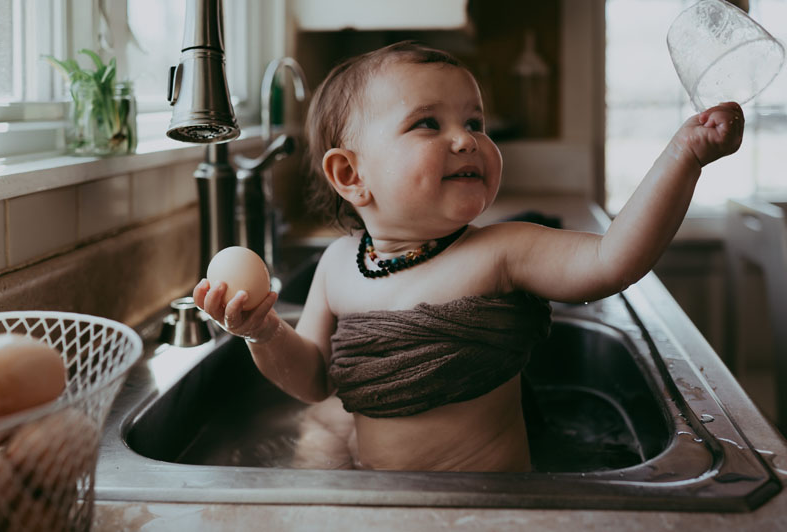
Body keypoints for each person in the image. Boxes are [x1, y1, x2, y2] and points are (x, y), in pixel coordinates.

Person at [193, 41, 744, 472]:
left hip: (492, 504)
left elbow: (613, 259)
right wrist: (263, 333)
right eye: (429, 123)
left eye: (475, 122)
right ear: (350, 176)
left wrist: (684, 155)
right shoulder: (339, 266)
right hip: (375, 495)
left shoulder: (501, 251)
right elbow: (314, 379)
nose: (467, 140)